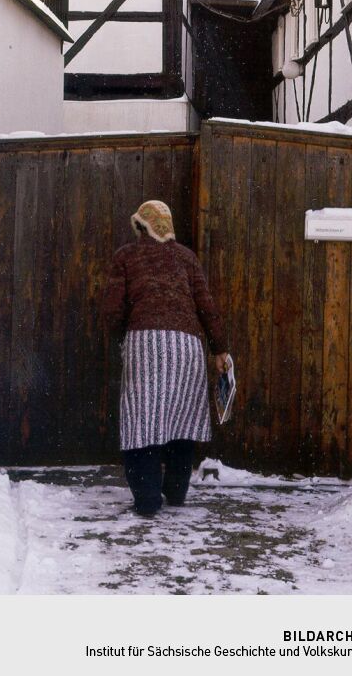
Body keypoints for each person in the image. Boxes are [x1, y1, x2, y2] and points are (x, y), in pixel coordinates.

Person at [102, 199, 229, 517]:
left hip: (144, 343)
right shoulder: (187, 257)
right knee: (180, 419)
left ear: (141, 224)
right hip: (187, 348)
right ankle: (175, 493)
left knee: (141, 421)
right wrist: (220, 349)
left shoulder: (126, 256)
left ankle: (146, 501)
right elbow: (206, 306)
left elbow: (112, 310)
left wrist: (119, 336)